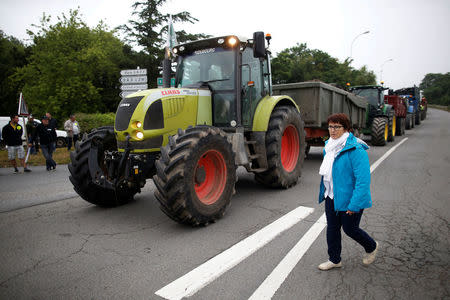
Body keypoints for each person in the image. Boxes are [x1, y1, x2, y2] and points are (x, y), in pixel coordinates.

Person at [318, 113, 378, 271]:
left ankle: (371, 246)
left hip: (351, 198)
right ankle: (334, 259)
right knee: (332, 228)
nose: (332, 130)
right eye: (330, 126)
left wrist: (354, 204)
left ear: (346, 129)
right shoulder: (329, 147)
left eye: (337, 127)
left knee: (350, 229)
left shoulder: (356, 149)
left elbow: (363, 181)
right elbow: (329, 173)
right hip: (332, 196)